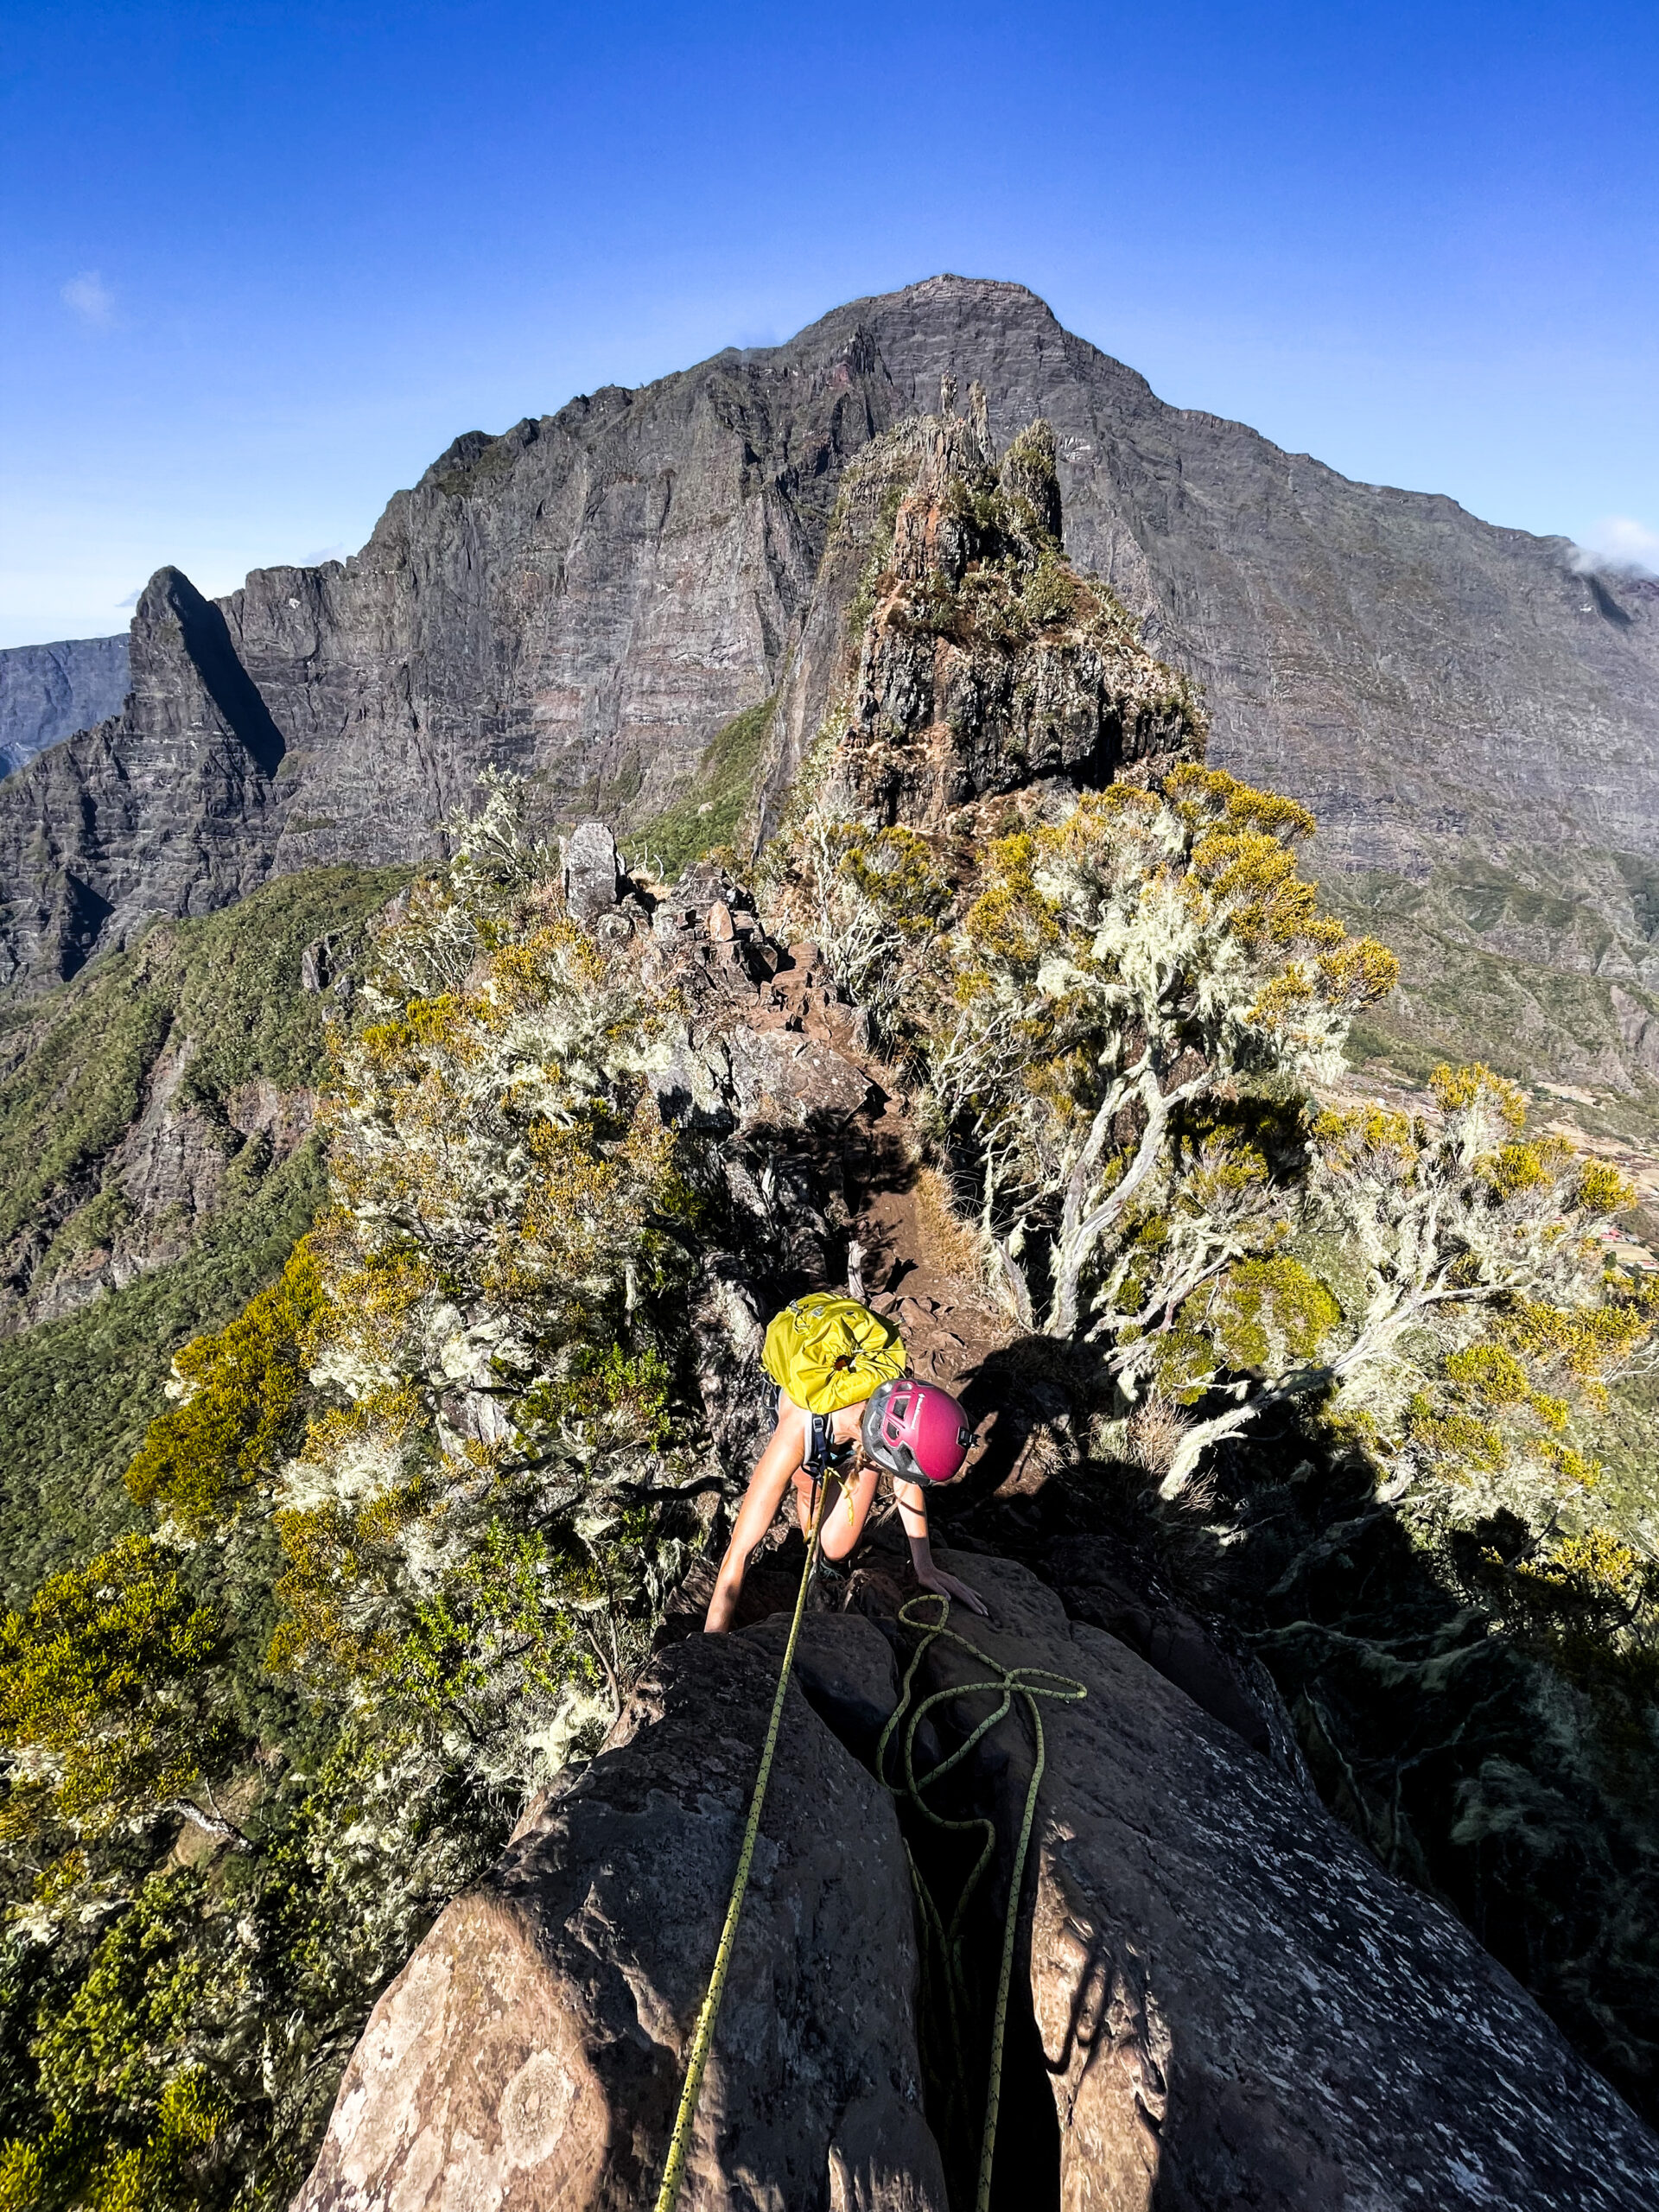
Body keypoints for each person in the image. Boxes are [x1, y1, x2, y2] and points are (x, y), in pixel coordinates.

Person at [703, 1368, 989, 1634]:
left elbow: (905, 1477)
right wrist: (712, 1643)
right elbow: (738, 1553)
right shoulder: (794, 1439)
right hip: (811, 1427)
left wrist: (925, 1566)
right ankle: (813, 1559)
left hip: (853, 1435)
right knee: (807, 1487)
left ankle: (824, 1559)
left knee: (839, 1547)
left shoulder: (894, 1396)